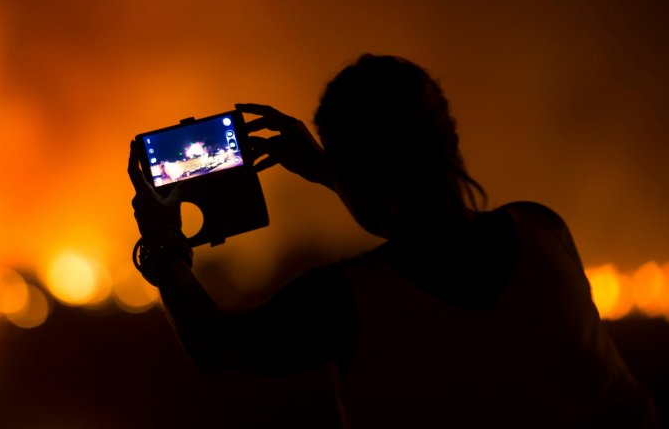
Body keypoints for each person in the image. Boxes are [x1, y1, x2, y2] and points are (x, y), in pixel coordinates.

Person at [127, 54, 656, 428]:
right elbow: (431, 233)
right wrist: (333, 171)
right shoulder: (544, 233)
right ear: (448, 137)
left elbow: (212, 345)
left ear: (362, 178)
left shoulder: (347, 303)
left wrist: (163, 246)